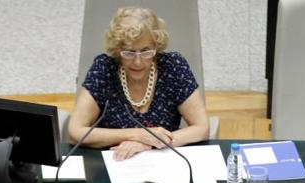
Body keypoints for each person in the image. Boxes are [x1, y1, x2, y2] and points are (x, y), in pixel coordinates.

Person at [68, 7, 209, 160]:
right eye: (128, 52)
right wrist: (140, 135)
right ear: (117, 48)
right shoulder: (104, 68)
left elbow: (201, 128)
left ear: (156, 46)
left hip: (164, 163)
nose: (137, 61)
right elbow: (75, 132)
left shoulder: (173, 66)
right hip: (113, 162)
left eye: (146, 51)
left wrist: (149, 144)